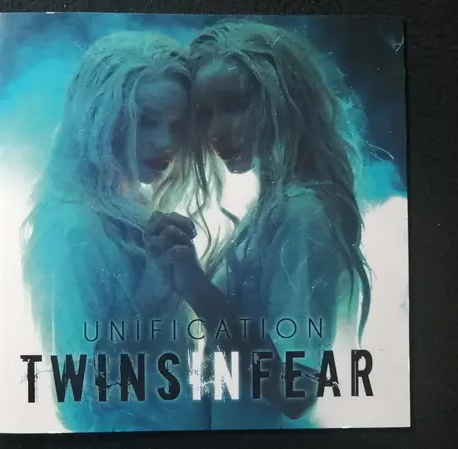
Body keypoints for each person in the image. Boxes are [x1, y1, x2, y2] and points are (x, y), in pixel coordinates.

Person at [147, 20, 372, 429]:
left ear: (284, 100)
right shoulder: (274, 206)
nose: (216, 131)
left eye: (235, 105)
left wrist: (195, 286)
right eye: (205, 113)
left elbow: (294, 392)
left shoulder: (301, 212)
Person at [21, 32, 208, 432]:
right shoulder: (72, 227)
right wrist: (153, 295)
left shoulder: (129, 202)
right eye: (146, 121)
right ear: (100, 117)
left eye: (177, 125)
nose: (166, 142)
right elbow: (79, 398)